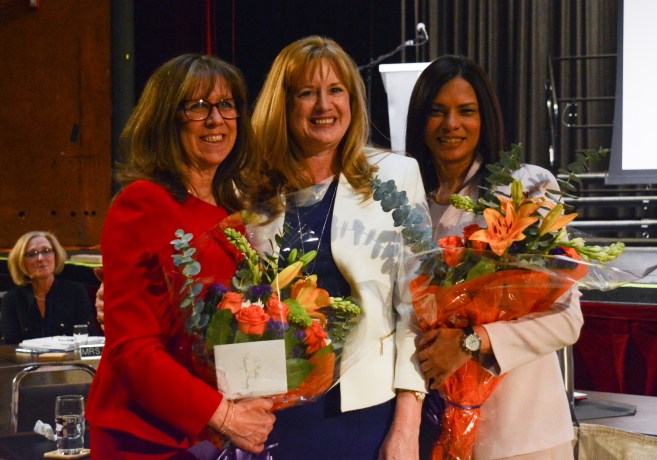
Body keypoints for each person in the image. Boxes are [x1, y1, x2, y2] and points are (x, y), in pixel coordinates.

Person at [84, 54, 275, 458]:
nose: (215, 120)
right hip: (148, 437)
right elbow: (132, 350)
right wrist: (224, 415)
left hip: (216, 436)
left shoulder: (234, 213)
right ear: (166, 119)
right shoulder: (142, 203)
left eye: (226, 105)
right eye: (197, 107)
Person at [250, 36, 427, 459]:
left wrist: (407, 423)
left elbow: (418, 308)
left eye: (335, 91)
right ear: (283, 104)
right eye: (307, 93)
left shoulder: (396, 176)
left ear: (353, 100)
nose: (323, 106)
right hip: (272, 413)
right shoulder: (248, 189)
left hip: (366, 412)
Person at [405, 55, 582, 459]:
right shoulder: (402, 203)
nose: (452, 125)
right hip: (429, 431)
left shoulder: (525, 189)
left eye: (466, 111)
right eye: (437, 111)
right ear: (419, 120)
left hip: (521, 436)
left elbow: (567, 320)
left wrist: (471, 342)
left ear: (485, 118)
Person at [0, 231, 94, 344]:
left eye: (46, 251)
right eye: (32, 254)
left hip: (70, 361)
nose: (40, 258)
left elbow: (89, 340)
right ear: (21, 262)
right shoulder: (12, 299)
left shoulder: (75, 292)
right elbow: (8, 348)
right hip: (26, 361)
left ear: (55, 255)